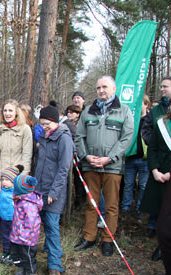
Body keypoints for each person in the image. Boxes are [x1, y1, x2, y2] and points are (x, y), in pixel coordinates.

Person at [74, 76, 134, 256]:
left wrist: (109, 158)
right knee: (91, 204)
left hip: (112, 167)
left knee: (111, 205)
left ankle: (108, 239)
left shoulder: (123, 111)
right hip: (91, 166)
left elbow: (126, 138)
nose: (101, 90)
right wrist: (86, 156)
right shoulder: (88, 112)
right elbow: (79, 137)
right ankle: (89, 237)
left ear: (114, 89)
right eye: (98, 87)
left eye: (105, 87)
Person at [35, 105, 75, 274]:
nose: (44, 128)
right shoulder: (44, 137)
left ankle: (55, 265)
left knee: (52, 225)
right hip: (39, 189)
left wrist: (54, 192)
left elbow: (64, 169)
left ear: (55, 122)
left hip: (54, 191)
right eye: (42, 124)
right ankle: (47, 250)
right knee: (42, 222)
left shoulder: (64, 138)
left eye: (47, 124)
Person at [140, 96, 171, 262]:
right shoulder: (161, 123)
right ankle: (162, 247)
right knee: (161, 218)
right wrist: (154, 170)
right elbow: (152, 148)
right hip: (159, 174)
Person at [0, 99, 33, 192]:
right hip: (2, 175)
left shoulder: (25, 129)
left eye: (10, 110)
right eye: (5, 111)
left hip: (18, 175)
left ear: (16, 112)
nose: (7, 113)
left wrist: (21, 178)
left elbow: (27, 155)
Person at [121, 95, 151, 217]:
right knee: (128, 184)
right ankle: (125, 208)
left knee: (143, 185)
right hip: (130, 158)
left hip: (144, 158)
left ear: (146, 104)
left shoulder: (150, 120)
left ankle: (140, 209)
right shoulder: (131, 119)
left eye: (141, 104)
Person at [10, 173, 41, 275]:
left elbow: (31, 222)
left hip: (27, 239)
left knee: (28, 257)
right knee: (18, 254)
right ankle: (21, 269)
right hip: (18, 235)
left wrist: (24, 236)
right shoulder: (21, 199)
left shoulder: (29, 204)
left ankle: (30, 272)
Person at [0, 166, 20, 265]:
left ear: (14, 181)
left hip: (13, 219)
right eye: (3, 179)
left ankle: (13, 253)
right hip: (3, 219)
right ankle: (6, 252)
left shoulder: (16, 194)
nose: (4, 182)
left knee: (13, 236)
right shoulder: (2, 191)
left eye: (7, 180)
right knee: (4, 235)